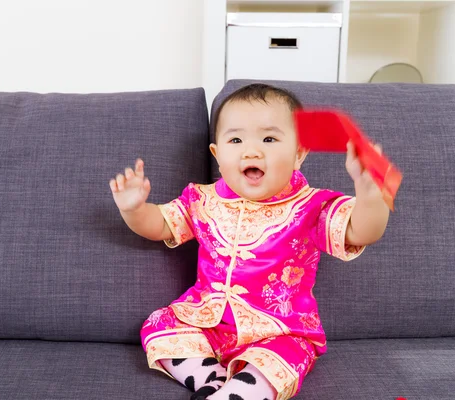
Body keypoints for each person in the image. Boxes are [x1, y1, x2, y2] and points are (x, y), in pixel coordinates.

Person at [109, 84, 390, 400]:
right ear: (218, 155)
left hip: (280, 331)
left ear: (299, 154)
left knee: (278, 363)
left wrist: (369, 194)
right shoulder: (201, 200)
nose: (251, 151)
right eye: (236, 139)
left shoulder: (311, 206)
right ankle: (212, 382)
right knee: (159, 327)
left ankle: (239, 392)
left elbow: (362, 231)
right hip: (205, 322)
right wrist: (133, 209)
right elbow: (159, 224)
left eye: (269, 139)